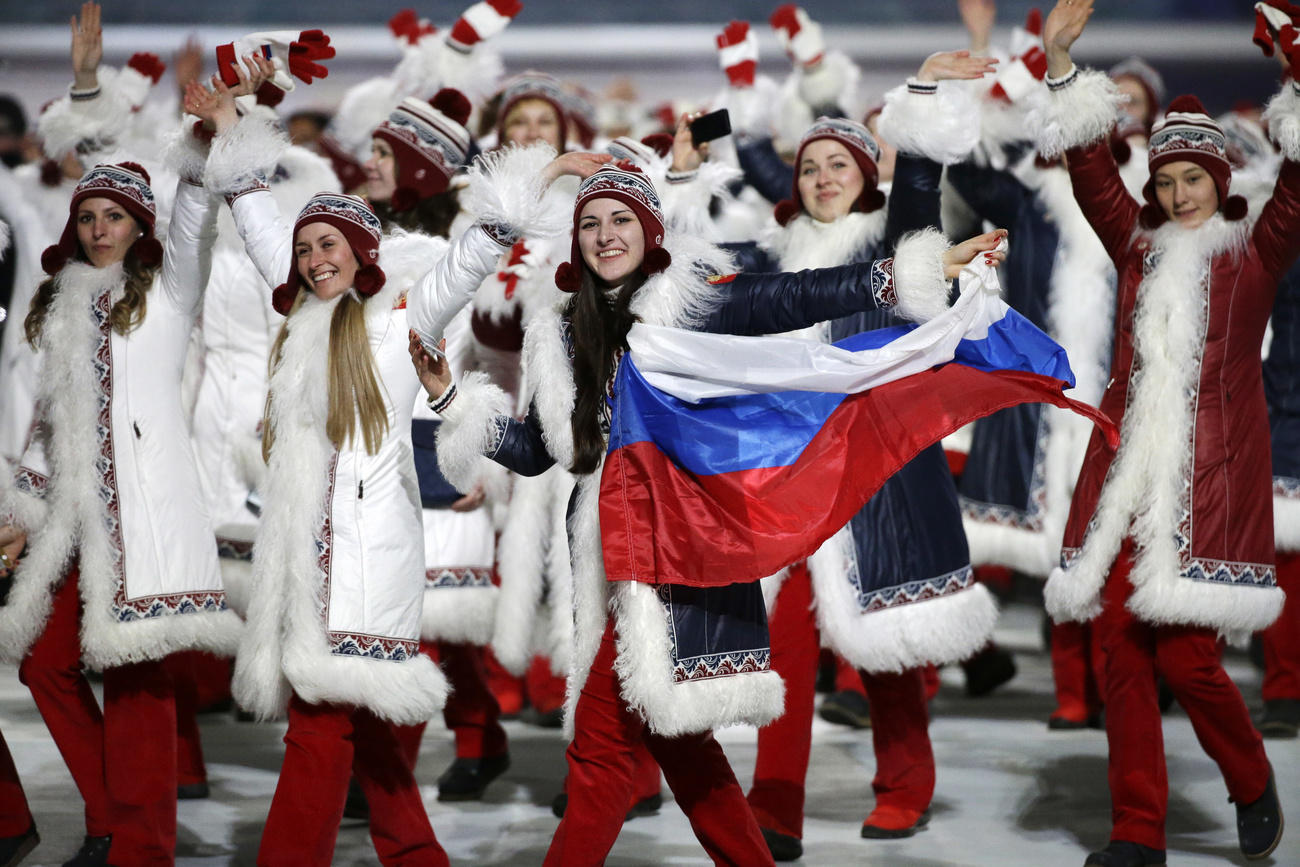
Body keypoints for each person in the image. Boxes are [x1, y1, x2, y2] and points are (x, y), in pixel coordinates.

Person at [415, 156, 1007, 865]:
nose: (606, 235)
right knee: (684, 747)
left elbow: (790, 296)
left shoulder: (689, 300)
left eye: (621, 221)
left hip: (673, 547)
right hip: (605, 551)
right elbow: (547, 450)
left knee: (603, 750)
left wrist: (909, 273)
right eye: (592, 223)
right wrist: (455, 401)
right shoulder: (563, 329)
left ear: (651, 232)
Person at [186, 57, 590, 864]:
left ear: (363, 251)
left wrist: (542, 172)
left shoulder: (406, 317)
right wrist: (230, 131)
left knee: (322, 727)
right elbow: (260, 220)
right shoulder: (302, 311)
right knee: (368, 740)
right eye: (306, 249)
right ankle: (416, 853)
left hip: (371, 561)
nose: (313, 259)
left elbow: (478, 250)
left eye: (329, 244)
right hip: (310, 561)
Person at [1035, 0, 1296, 863]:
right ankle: (1136, 828)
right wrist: (1063, 65)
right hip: (1127, 479)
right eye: (1168, 180)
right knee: (1118, 650)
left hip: (1211, 479)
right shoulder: (1137, 248)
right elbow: (1090, 170)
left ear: (1223, 182)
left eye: (1195, 179)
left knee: (1187, 661)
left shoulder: (1254, 257)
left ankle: (1251, 774)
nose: (1180, 194)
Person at [0, 7, 239, 862]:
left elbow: (193, 212)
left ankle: (137, 847)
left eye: (117, 218)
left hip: (142, 514)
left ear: (140, 233)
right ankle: (107, 820)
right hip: (70, 517)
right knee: (43, 664)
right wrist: (22, 507)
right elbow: (47, 418)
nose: (100, 227)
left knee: (139, 683)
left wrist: (214, 137)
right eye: (90, 217)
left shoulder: (168, 295)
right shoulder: (63, 309)